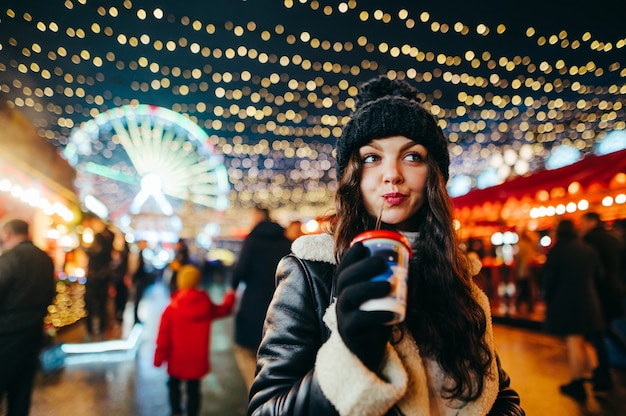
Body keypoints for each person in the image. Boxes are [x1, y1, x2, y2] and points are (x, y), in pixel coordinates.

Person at [248, 76, 524, 415]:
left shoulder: (457, 273)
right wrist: (352, 355)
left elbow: (502, 394)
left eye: (411, 156)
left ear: (433, 173)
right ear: (353, 174)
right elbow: (266, 409)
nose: (392, 174)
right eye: (371, 158)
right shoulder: (312, 271)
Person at [154, 264, 235, 416]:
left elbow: (163, 336)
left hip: (176, 358)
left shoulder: (172, 308)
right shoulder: (205, 304)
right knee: (194, 390)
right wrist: (230, 296)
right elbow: (223, 310)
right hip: (196, 359)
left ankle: (176, 411)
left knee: (173, 385)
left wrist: (159, 357)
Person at [230, 205, 292, 393]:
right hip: (282, 305)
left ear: (258, 216)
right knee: (276, 353)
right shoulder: (285, 241)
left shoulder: (252, 240)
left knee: (246, 350)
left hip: (254, 305)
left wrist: (232, 288)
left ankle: (256, 394)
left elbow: (240, 271)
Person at [542, 219, 605, 401]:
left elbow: (549, 281)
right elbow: (599, 275)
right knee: (582, 340)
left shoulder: (557, 252)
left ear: (559, 232)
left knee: (573, 341)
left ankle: (577, 381)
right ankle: (595, 373)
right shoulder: (587, 249)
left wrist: (547, 299)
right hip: (590, 300)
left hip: (567, 303)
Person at [0, 219, 56, 416]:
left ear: (7, 234)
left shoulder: (9, 259)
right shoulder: (45, 258)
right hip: (33, 334)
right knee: (21, 392)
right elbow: (52, 293)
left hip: (6, 335)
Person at [579, 211, 624, 391]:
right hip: (615, 289)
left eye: (583, 222)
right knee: (605, 329)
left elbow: (592, 270)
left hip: (598, 292)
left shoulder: (590, 240)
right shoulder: (613, 237)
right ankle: (602, 369)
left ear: (591, 221)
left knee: (597, 331)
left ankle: (603, 372)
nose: (581, 226)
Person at [83, 216, 115, 340]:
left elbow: (95, 252)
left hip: (95, 277)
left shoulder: (99, 237)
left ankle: (91, 332)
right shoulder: (110, 236)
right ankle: (99, 331)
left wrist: (83, 248)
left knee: (91, 305)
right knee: (101, 305)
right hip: (104, 276)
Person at [513, 229, 538, 315]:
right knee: (527, 289)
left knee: (523, 289)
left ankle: (519, 305)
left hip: (522, 270)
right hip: (528, 270)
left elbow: (517, 258)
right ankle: (529, 307)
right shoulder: (529, 245)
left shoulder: (521, 245)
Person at [129, 239, 152, 324]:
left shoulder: (143, 254)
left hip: (141, 280)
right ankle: (135, 318)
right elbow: (134, 268)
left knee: (138, 299)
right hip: (138, 280)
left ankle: (136, 317)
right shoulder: (136, 254)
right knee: (136, 299)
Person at [111, 240, 130, 324]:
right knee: (116, 299)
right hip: (115, 280)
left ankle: (120, 314)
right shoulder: (113, 253)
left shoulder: (125, 253)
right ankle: (117, 315)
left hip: (122, 280)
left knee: (123, 297)